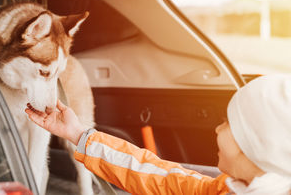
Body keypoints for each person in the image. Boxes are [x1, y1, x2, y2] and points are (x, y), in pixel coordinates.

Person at [25, 74, 291, 194]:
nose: (217, 128)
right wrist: (79, 134)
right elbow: (154, 174)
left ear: (252, 146)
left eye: (228, 124)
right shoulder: (224, 188)